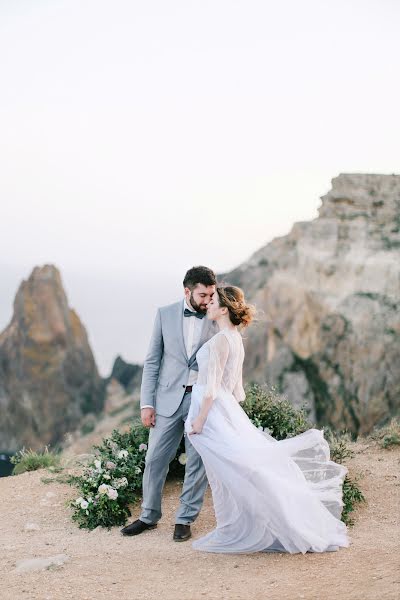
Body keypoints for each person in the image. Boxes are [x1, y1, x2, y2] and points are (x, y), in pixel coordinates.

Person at [186, 285, 350, 554]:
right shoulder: (235, 338)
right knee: (236, 470)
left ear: (224, 309)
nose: (208, 304)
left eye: (213, 300)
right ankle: (238, 525)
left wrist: (201, 420)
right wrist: (230, 416)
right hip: (224, 409)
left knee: (223, 474)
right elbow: (236, 391)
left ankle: (235, 528)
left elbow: (213, 389)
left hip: (211, 411)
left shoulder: (219, 341)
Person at [121, 266, 219, 541]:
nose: (208, 300)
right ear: (187, 291)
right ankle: (148, 516)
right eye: (203, 294)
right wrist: (146, 404)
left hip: (200, 398)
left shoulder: (216, 317)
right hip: (166, 399)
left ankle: (185, 519)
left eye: (212, 294)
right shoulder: (164, 314)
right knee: (154, 460)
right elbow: (152, 361)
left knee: (197, 462)